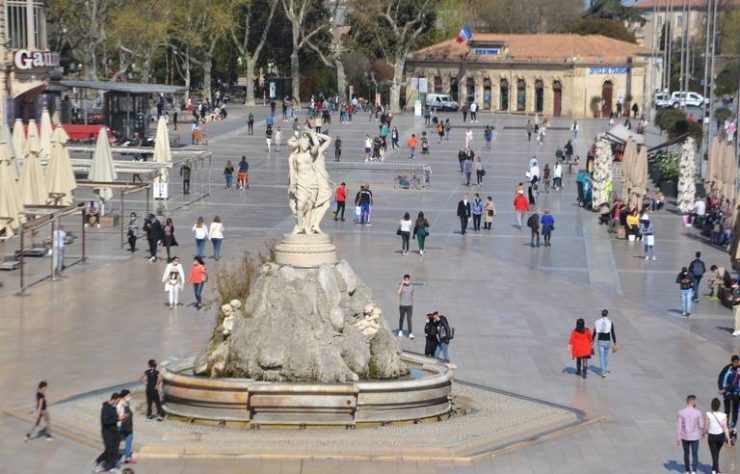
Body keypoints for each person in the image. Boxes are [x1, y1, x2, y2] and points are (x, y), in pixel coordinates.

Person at [676, 394, 704, 474]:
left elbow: (679, 426)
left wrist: (678, 438)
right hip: (694, 437)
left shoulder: (681, 412)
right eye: (695, 400)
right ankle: (694, 470)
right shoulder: (698, 412)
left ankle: (687, 470)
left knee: (686, 454)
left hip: (684, 436)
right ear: (692, 401)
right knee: (695, 454)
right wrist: (703, 433)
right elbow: (701, 425)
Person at [94, 392, 121, 473]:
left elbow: (115, 418)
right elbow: (105, 421)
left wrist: (120, 418)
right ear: (114, 399)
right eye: (118, 401)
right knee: (109, 450)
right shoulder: (105, 408)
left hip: (115, 431)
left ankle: (111, 466)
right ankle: (99, 462)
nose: (118, 403)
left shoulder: (113, 407)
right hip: (107, 432)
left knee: (115, 449)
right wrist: (118, 419)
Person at [705, 397, 731, 474]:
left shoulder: (708, 414)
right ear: (719, 406)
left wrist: (703, 433)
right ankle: (715, 469)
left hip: (712, 437)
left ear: (711, 405)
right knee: (716, 453)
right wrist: (728, 438)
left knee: (714, 454)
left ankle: (715, 471)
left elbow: (706, 426)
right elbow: (725, 427)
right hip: (721, 437)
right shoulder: (724, 415)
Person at [718, 355, 740, 439]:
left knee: (735, 410)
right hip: (727, 393)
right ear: (732, 362)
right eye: (735, 362)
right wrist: (721, 388)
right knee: (727, 411)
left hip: (737, 393)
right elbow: (720, 378)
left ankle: (733, 428)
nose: (736, 364)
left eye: (737, 362)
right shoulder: (727, 368)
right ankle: (726, 426)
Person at [593, 309, 617, 378]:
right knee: (605, 356)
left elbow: (595, 331)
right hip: (607, 341)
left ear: (601, 314)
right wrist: (615, 341)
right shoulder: (610, 322)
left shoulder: (598, 322)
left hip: (600, 341)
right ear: (607, 314)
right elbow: (612, 332)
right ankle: (605, 369)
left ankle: (603, 371)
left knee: (601, 356)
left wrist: (592, 339)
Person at [117, 389, 135, 465]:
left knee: (129, 440)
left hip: (128, 426)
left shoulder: (126, 403)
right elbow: (118, 416)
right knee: (118, 441)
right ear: (124, 396)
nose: (130, 397)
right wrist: (124, 416)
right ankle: (114, 457)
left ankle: (127, 458)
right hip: (122, 426)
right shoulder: (120, 405)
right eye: (128, 395)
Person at [396, 274, 415, 339]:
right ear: (404, 280)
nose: (406, 281)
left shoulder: (412, 287)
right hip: (402, 305)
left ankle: (410, 333)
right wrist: (402, 284)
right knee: (401, 318)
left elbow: (412, 295)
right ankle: (400, 330)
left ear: (409, 280)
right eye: (405, 280)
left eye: (408, 280)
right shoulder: (400, 286)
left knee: (409, 319)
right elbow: (398, 293)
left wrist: (412, 303)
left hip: (409, 306)